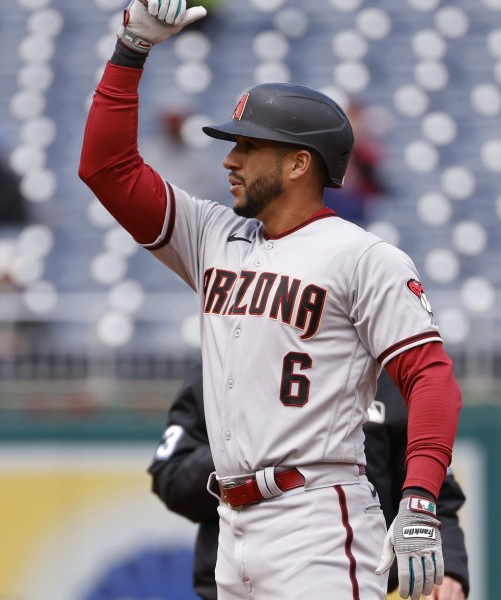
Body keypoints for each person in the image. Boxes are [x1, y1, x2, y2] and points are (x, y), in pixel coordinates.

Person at [77, 2, 462, 598]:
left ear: (297, 164)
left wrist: (417, 499)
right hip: (232, 525)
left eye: (247, 147)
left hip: (317, 520)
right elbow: (106, 168)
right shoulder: (212, 236)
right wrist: (131, 53)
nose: (228, 160)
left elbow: (431, 378)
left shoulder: (363, 257)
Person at [148, 361, 470, 600]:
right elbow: (172, 477)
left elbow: (435, 493)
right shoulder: (227, 363)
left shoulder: (389, 373)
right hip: (237, 586)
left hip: (356, 585)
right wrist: (246, 462)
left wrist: (450, 567)